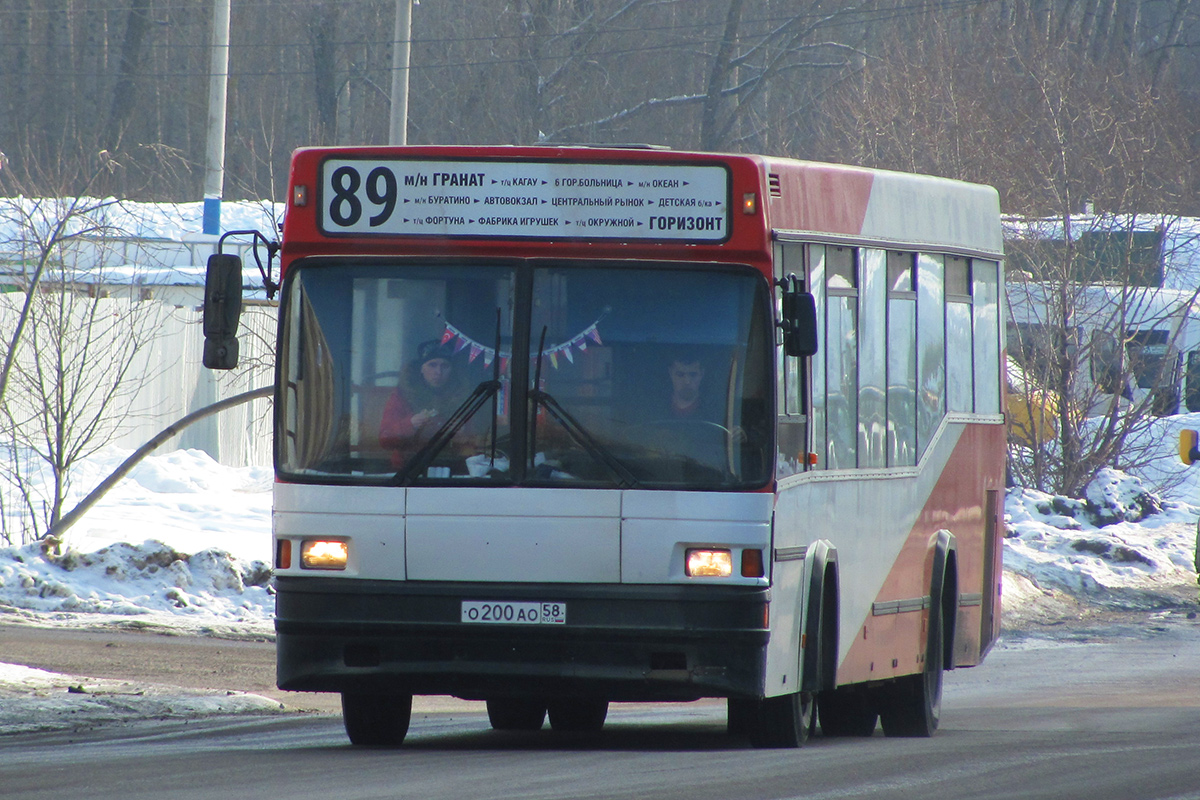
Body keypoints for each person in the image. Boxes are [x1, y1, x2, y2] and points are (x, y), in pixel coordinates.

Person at [379, 339, 471, 469]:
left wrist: (464, 433)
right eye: (432, 365)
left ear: (452, 370)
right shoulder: (402, 394)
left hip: (454, 467)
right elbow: (384, 439)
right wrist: (410, 424)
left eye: (445, 366)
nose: (438, 372)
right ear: (421, 368)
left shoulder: (467, 396)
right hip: (408, 470)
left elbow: (483, 441)